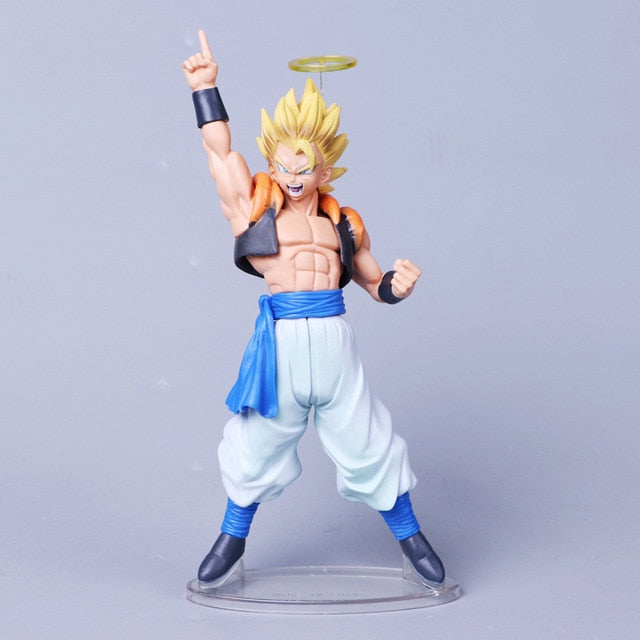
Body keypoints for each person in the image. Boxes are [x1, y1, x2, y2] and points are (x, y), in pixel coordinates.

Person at [182, 30, 445, 588]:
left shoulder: (342, 224)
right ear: (273, 166)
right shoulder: (257, 213)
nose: (294, 178)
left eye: (305, 169)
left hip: (332, 341)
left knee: (367, 440)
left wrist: (399, 285)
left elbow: (375, 284)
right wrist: (205, 89)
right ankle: (232, 536)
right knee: (256, 444)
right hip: (280, 342)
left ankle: (410, 535)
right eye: (284, 167)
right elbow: (221, 157)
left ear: (325, 171)